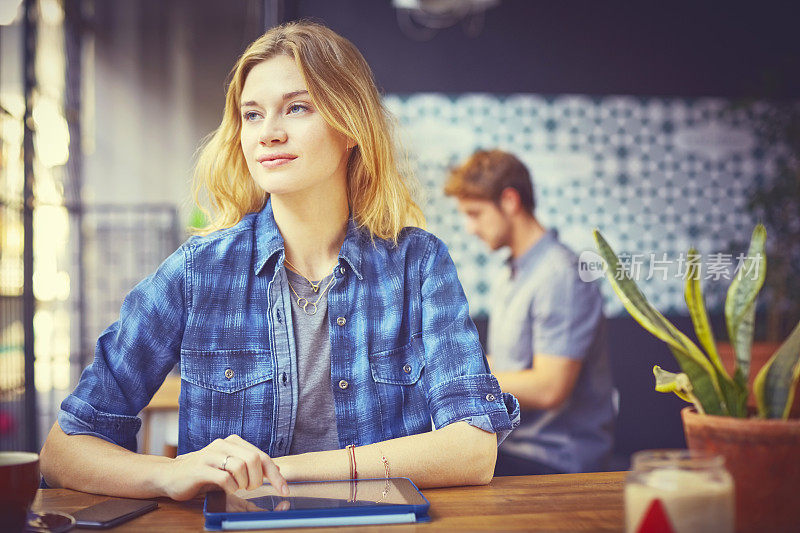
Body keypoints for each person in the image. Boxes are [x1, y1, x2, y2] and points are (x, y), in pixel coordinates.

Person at [40, 22, 519, 501]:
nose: (268, 133)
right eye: (252, 115)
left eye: (297, 107)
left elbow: (473, 451)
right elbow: (64, 450)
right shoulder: (195, 273)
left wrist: (284, 470)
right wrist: (169, 473)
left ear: (351, 125)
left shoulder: (419, 264)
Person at [444, 149, 613, 475]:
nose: (469, 227)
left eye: (475, 213)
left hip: (555, 460)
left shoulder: (562, 275)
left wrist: (456, 384)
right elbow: (504, 363)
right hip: (515, 449)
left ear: (509, 201)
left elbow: (550, 388)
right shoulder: (512, 273)